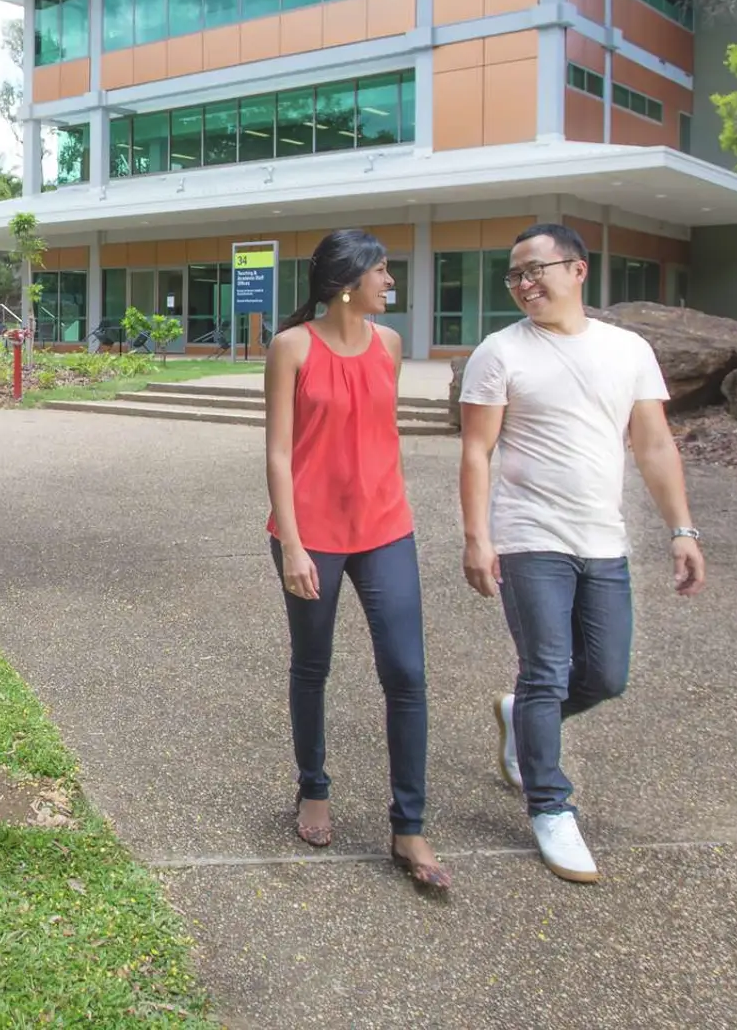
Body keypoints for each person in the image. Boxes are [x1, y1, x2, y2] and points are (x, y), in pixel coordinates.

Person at [458, 223, 706, 885]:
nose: (524, 284)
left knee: (604, 676)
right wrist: (478, 537)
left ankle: (519, 717)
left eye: (536, 270)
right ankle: (550, 806)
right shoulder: (499, 352)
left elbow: (652, 445)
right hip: (529, 535)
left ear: (578, 271)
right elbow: (477, 450)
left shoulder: (628, 350)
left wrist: (683, 529)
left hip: (603, 540)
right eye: (514, 275)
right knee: (546, 669)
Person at [264, 229, 448, 892]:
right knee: (312, 665)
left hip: (386, 527)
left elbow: (376, 434)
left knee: (407, 671)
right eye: (382, 272)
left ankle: (410, 826)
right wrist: (291, 542)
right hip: (311, 533)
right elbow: (281, 453)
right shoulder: (292, 349)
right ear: (348, 281)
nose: (390, 282)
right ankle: (313, 788)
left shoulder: (390, 346)